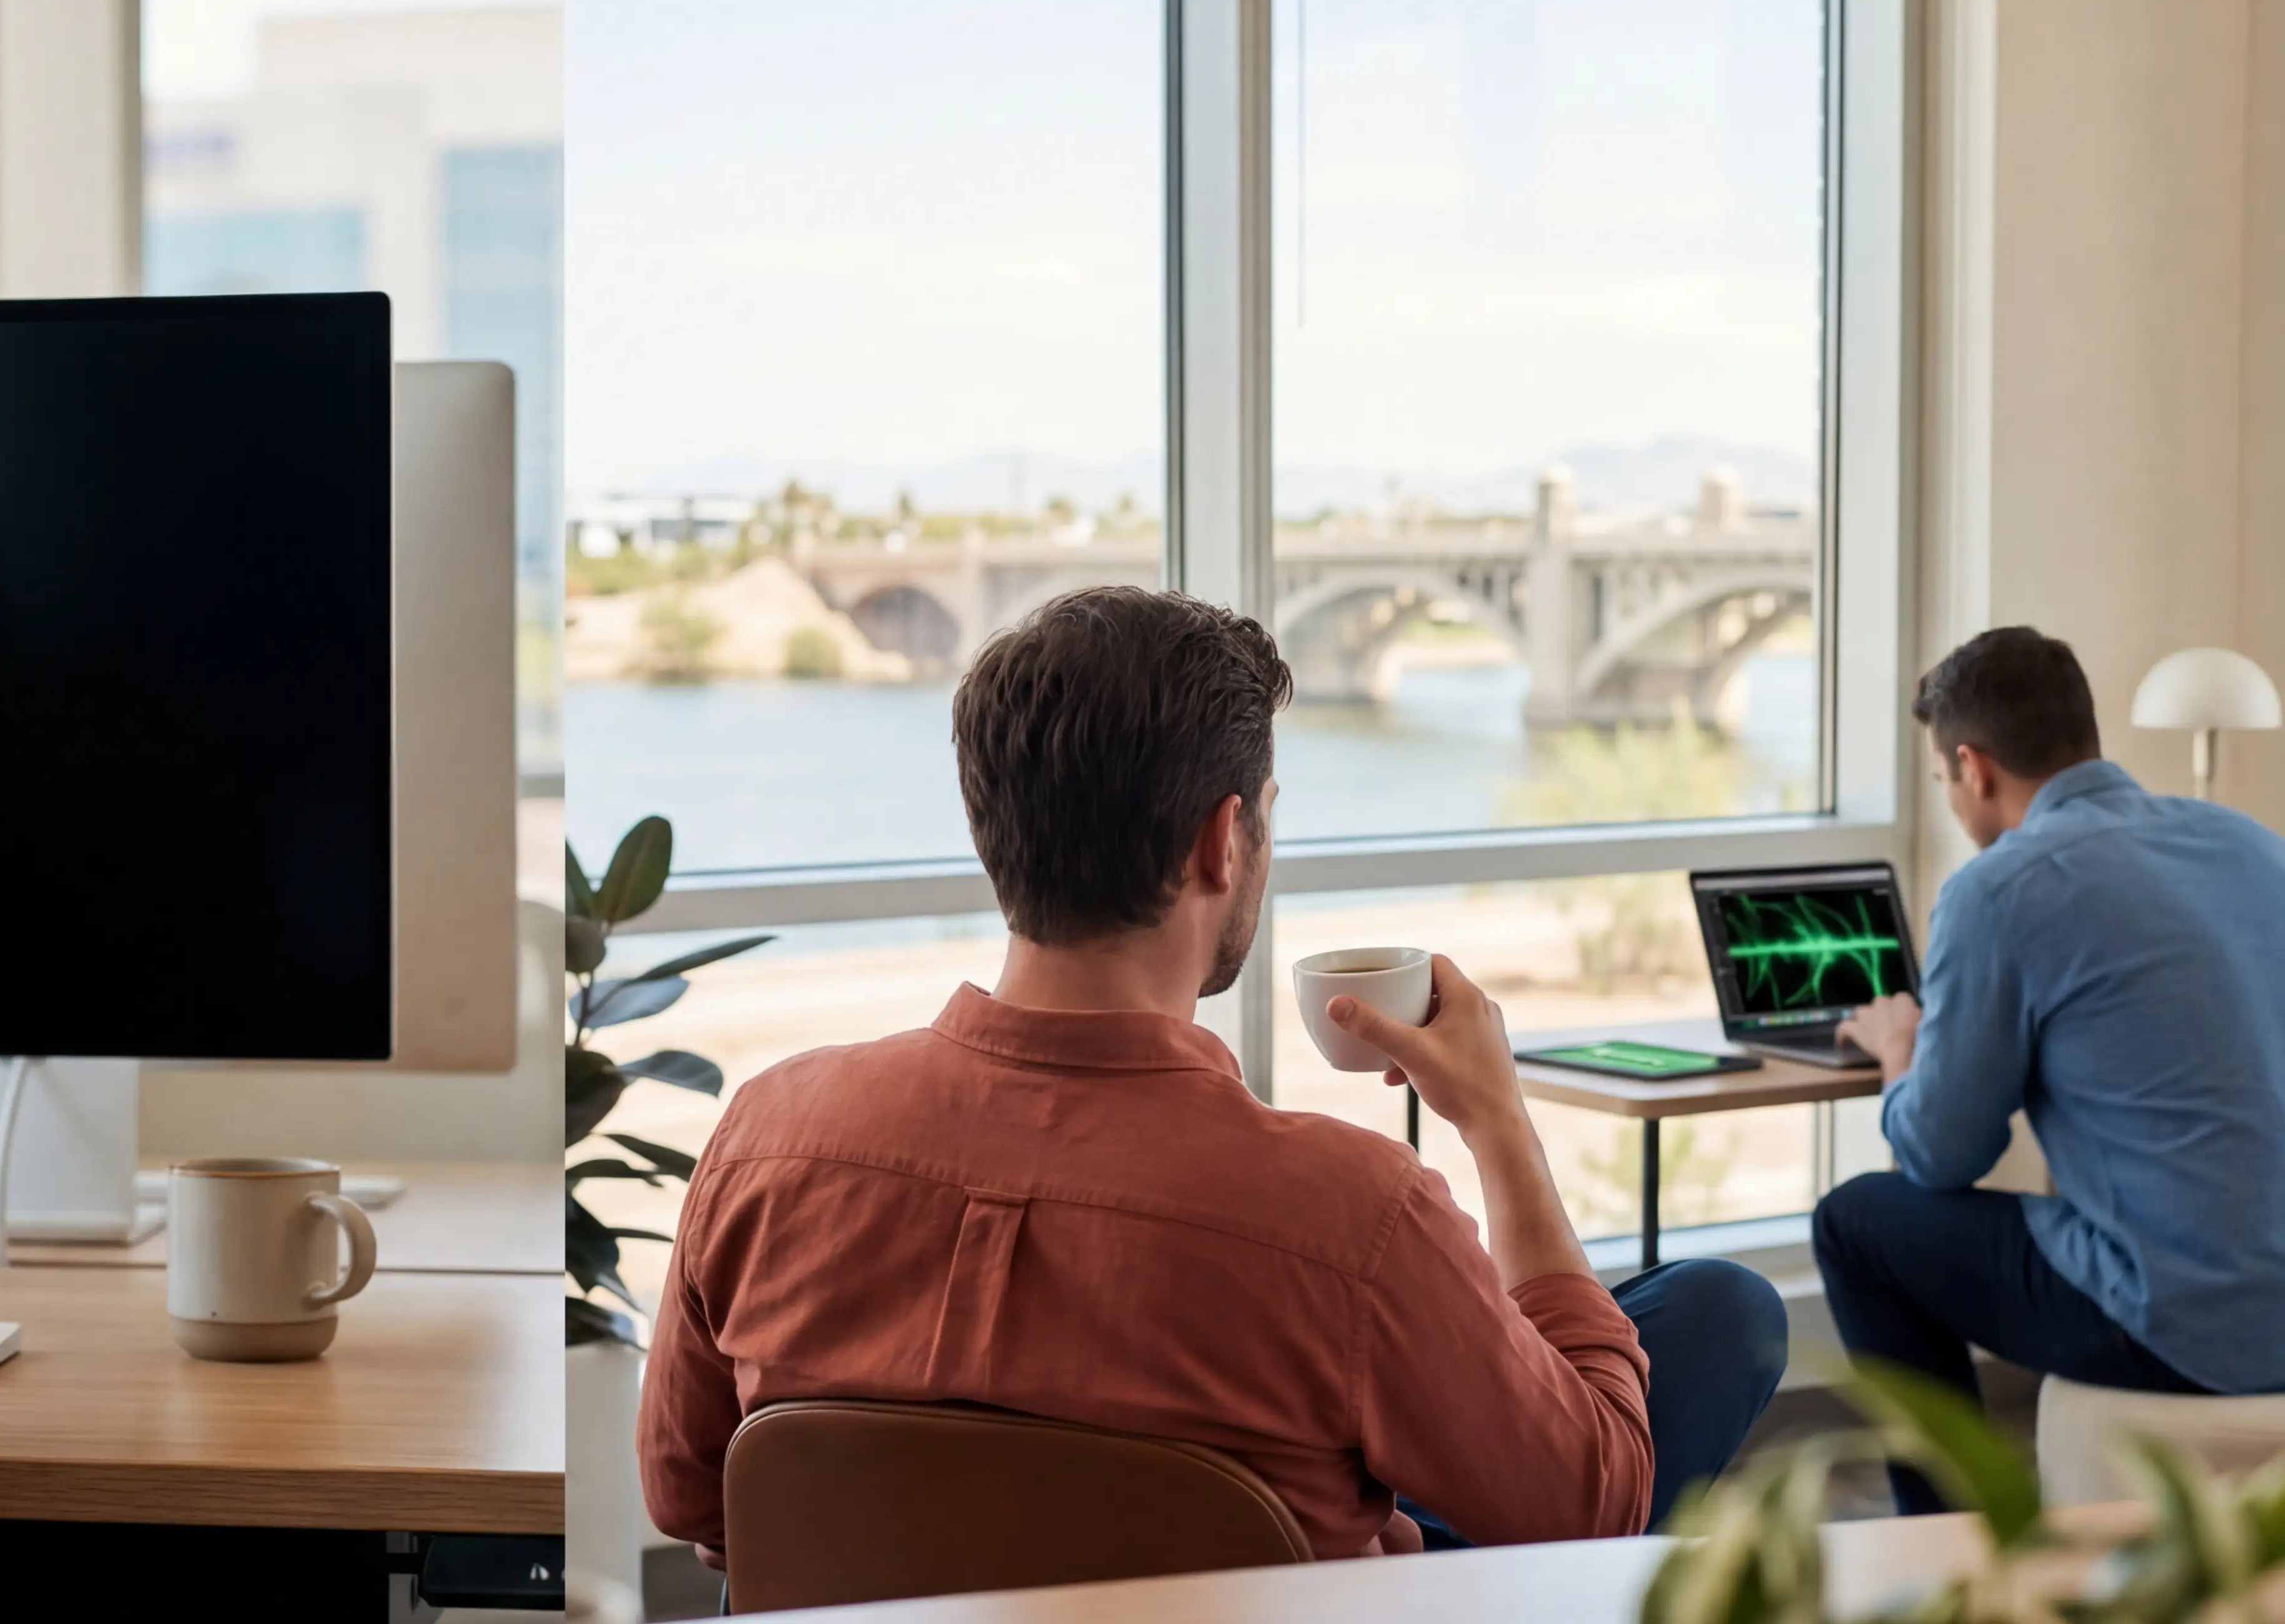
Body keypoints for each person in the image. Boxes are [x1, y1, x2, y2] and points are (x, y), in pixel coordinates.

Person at [636, 586, 1787, 1567]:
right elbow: (1593, 1505)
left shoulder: (768, 1138)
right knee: (1717, 1315)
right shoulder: (1355, 1214)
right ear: (1221, 843)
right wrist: (1497, 1127)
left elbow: (692, 1501)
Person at [1816, 626, 2285, 1509]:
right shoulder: (2250, 844)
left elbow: (1940, 1157)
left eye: (1942, 781)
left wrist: (1901, 1048)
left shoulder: (2000, 890)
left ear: (1974, 768)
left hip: (2188, 1322)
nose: (1952, 801)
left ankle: (1947, 1544)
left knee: (1858, 1223)